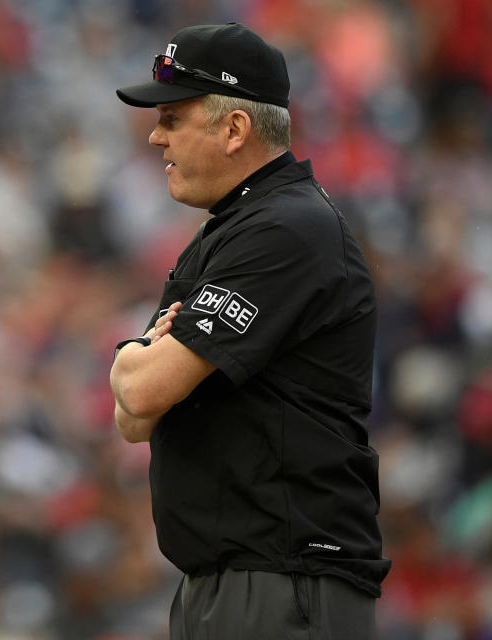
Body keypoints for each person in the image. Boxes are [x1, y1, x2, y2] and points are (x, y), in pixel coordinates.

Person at [109, 23, 390, 639]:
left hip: (285, 584)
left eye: (173, 118)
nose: (156, 136)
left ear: (234, 128)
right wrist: (141, 371)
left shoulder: (287, 230)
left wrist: (133, 359)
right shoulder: (228, 231)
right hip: (236, 582)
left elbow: (142, 391)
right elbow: (130, 422)